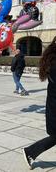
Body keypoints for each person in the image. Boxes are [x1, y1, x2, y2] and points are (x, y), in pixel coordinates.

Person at [22, 37, 56, 169]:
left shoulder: (51, 59)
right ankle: (30, 151)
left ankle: (30, 152)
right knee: (55, 136)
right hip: (54, 106)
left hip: (53, 104)